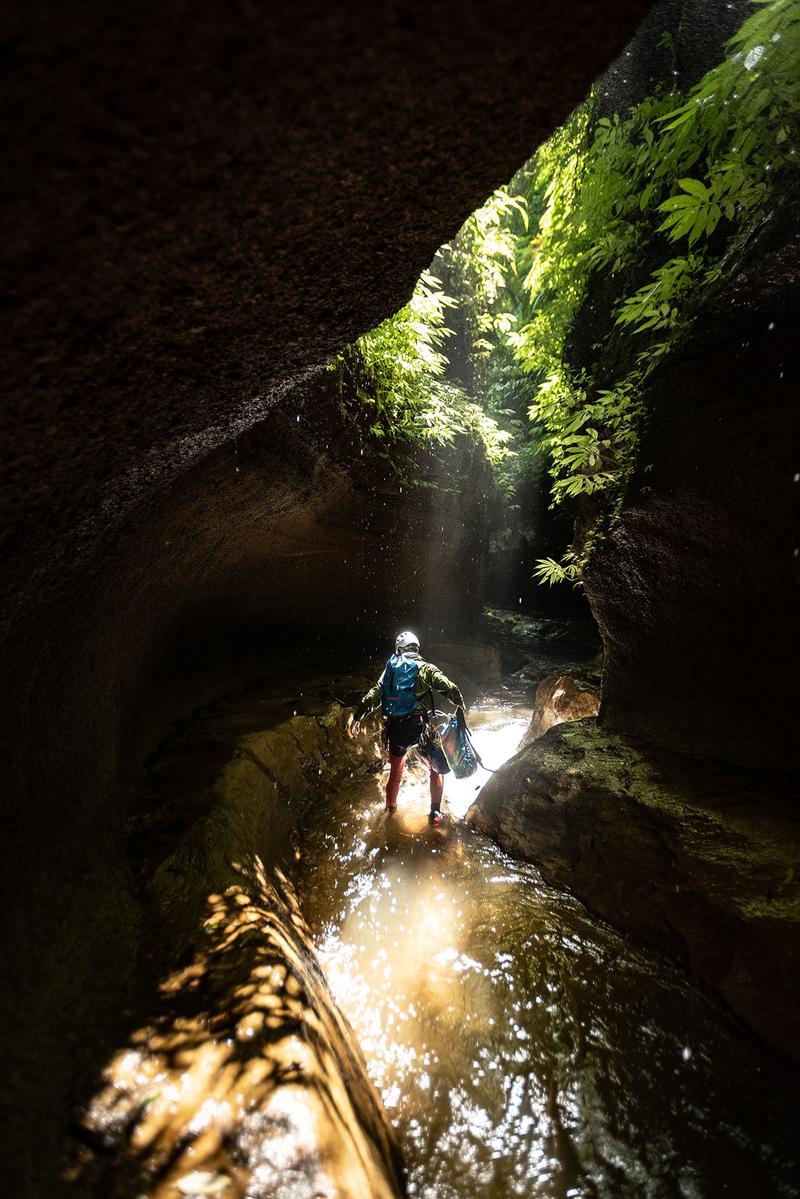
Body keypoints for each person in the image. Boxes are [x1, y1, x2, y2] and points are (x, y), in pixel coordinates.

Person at [349, 630, 465, 823]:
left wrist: (358, 715)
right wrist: (459, 704)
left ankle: (390, 810)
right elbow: (449, 688)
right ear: (417, 649)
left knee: (395, 773)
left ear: (399, 650)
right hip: (420, 728)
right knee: (435, 769)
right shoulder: (425, 667)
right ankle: (435, 813)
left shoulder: (390, 669)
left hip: (396, 730)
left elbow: (376, 693)